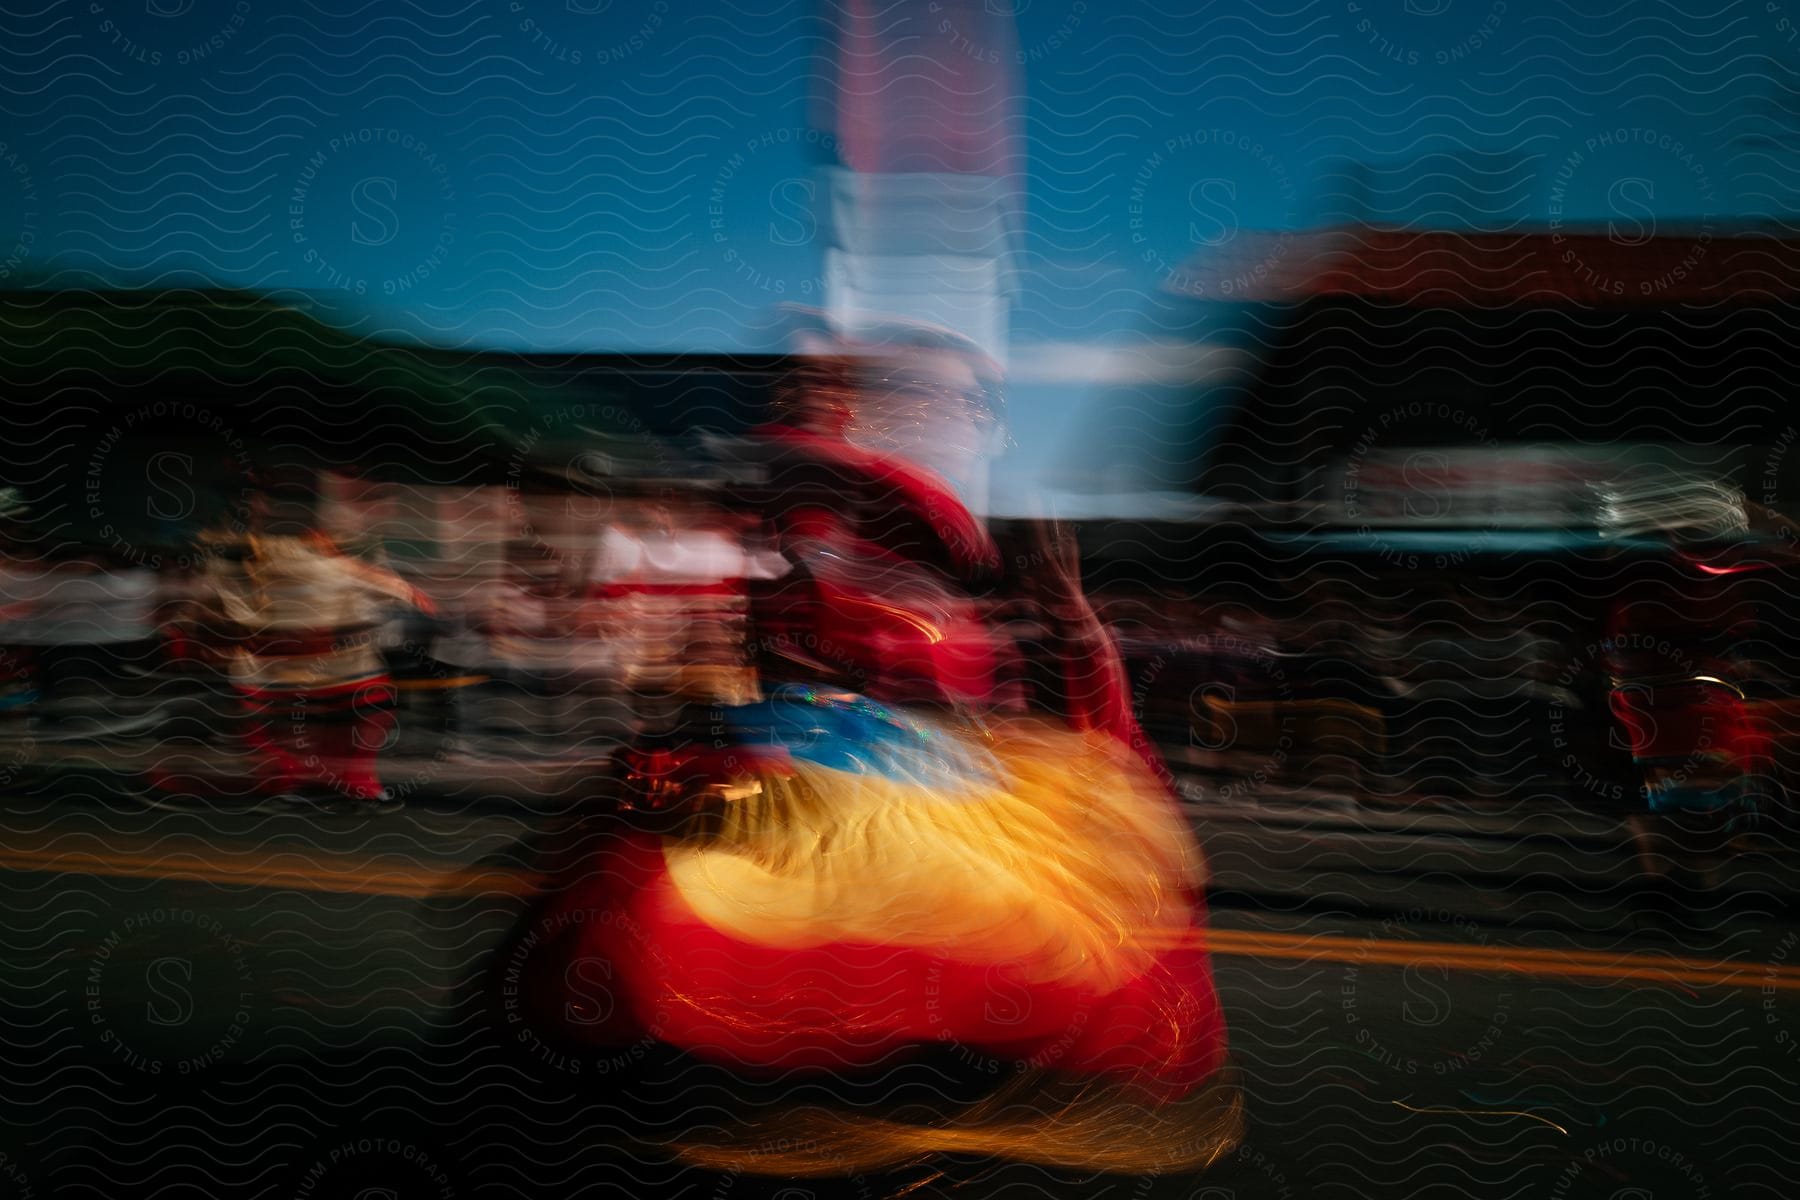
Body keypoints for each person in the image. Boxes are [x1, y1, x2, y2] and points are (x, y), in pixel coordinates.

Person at [520, 331, 1240, 1177]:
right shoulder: (831, 508)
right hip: (822, 754)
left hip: (917, 757)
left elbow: (1013, 662)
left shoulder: (915, 550)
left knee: (1027, 920)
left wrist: (1059, 613)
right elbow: (808, 487)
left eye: (976, 407)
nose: (965, 422)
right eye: (951, 400)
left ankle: (888, 1104)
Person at [181, 505, 433, 807]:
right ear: (313, 533)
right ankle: (355, 786)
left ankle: (289, 783)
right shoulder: (336, 566)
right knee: (370, 712)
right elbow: (408, 596)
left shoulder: (223, 566)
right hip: (340, 675)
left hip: (262, 678)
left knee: (269, 728)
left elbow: (197, 615)